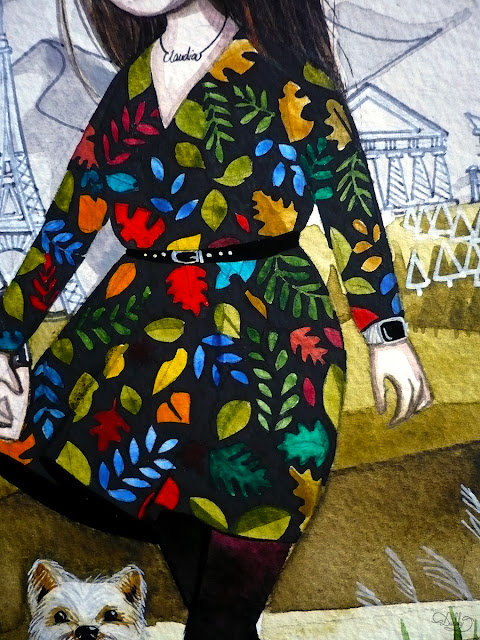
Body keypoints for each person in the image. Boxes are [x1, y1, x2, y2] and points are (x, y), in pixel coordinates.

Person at [0, 0, 432, 637]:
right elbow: (66, 227)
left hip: (268, 346)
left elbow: (350, 204)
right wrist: (6, 338)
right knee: (214, 607)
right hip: (136, 353)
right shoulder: (130, 87)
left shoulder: (289, 75)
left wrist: (385, 332)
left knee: (238, 566)